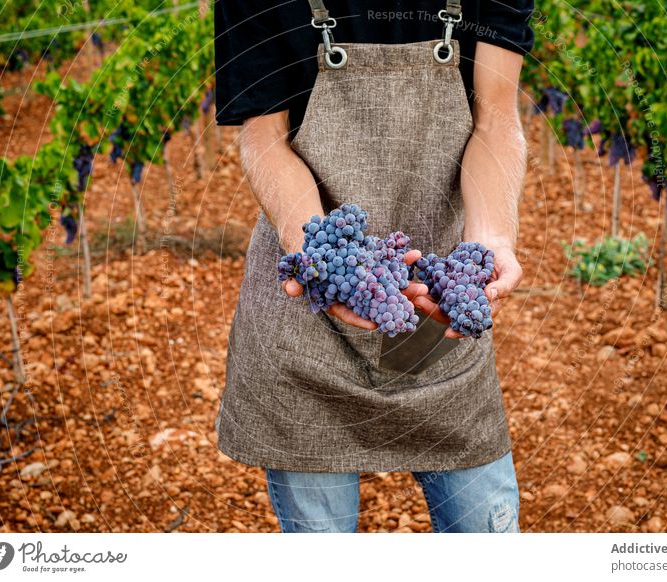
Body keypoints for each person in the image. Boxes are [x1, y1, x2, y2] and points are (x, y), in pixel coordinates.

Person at [213, 0, 534, 533]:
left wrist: (492, 237)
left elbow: (497, 118)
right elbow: (264, 140)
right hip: (307, 324)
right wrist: (323, 256)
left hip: (435, 314)